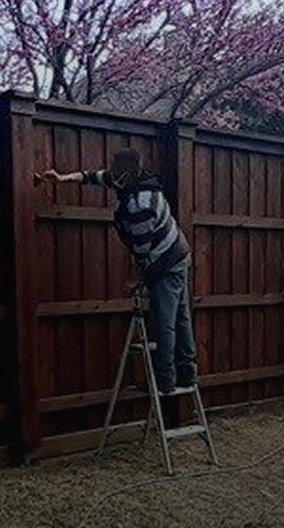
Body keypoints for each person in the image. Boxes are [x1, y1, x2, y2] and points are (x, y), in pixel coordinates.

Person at [38, 148, 196, 395]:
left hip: (166, 259)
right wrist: (62, 178)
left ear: (128, 171)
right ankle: (187, 374)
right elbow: (92, 177)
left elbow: (142, 250)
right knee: (181, 317)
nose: (110, 172)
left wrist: (136, 280)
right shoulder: (131, 179)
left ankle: (165, 379)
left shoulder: (141, 204)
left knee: (165, 320)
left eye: (114, 168)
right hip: (178, 253)